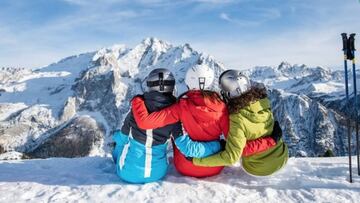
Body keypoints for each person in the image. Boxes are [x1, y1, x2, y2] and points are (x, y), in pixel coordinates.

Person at [131, 65, 277, 178]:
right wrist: (270, 141)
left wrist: (138, 101)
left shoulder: (180, 107)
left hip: (185, 166)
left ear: (188, 82)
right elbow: (239, 148)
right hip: (215, 168)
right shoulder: (223, 109)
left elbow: (145, 123)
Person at [112, 68, 223, 183]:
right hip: (158, 173)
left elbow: (122, 138)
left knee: (120, 145)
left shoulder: (138, 109)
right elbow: (186, 146)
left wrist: (115, 145)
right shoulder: (175, 112)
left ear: (149, 85)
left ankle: (118, 160)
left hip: (127, 173)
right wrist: (217, 145)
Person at [192, 70, 289, 176]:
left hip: (258, 169)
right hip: (283, 156)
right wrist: (272, 141)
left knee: (231, 145)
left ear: (227, 94)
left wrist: (197, 161)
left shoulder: (237, 118)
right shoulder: (263, 102)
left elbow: (232, 157)